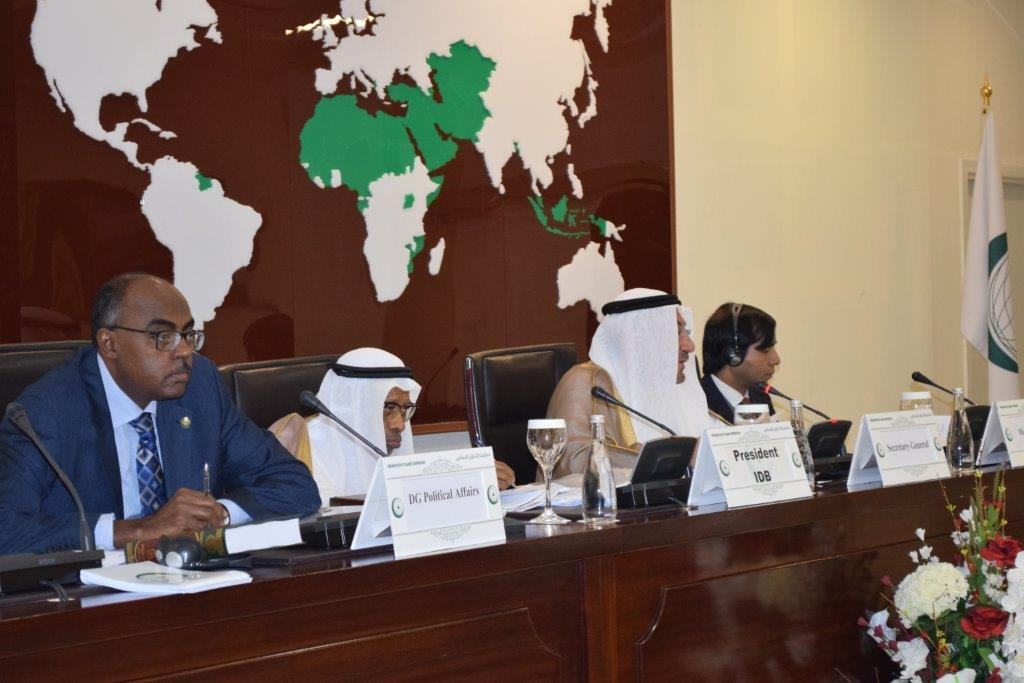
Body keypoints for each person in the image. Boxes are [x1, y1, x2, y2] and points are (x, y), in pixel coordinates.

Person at [0, 273, 321, 554]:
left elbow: (294, 484)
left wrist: (216, 514)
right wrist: (136, 531)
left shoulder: (200, 386)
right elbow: (6, 529)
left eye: (188, 335)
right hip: (88, 595)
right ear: (109, 344)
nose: (184, 352)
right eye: (163, 337)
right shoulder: (45, 411)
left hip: (191, 583)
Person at [271, 348, 515, 504]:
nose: (400, 424)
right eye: (388, 407)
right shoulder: (302, 449)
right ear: (354, 408)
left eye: (405, 408)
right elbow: (326, 515)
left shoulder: (390, 442)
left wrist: (472, 483)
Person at [545, 288, 710, 478]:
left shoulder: (669, 392)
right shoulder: (585, 383)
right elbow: (574, 461)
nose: (690, 346)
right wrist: (675, 455)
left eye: (686, 332)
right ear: (641, 339)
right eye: (676, 332)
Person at [699, 302, 781, 425]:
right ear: (733, 355)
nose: (776, 360)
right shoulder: (697, 402)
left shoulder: (760, 396)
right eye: (765, 349)